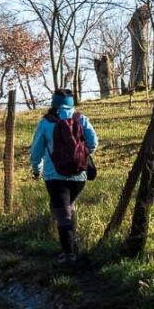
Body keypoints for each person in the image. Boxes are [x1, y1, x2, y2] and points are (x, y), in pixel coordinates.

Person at [29, 89, 98, 262]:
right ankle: (72, 247)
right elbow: (93, 142)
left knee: (62, 213)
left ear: (54, 103)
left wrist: (36, 169)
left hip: (54, 175)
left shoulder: (46, 122)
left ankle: (68, 255)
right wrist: (81, 154)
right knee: (69, 207)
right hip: (79, 175)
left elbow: (36, 151)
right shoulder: (81, 118)